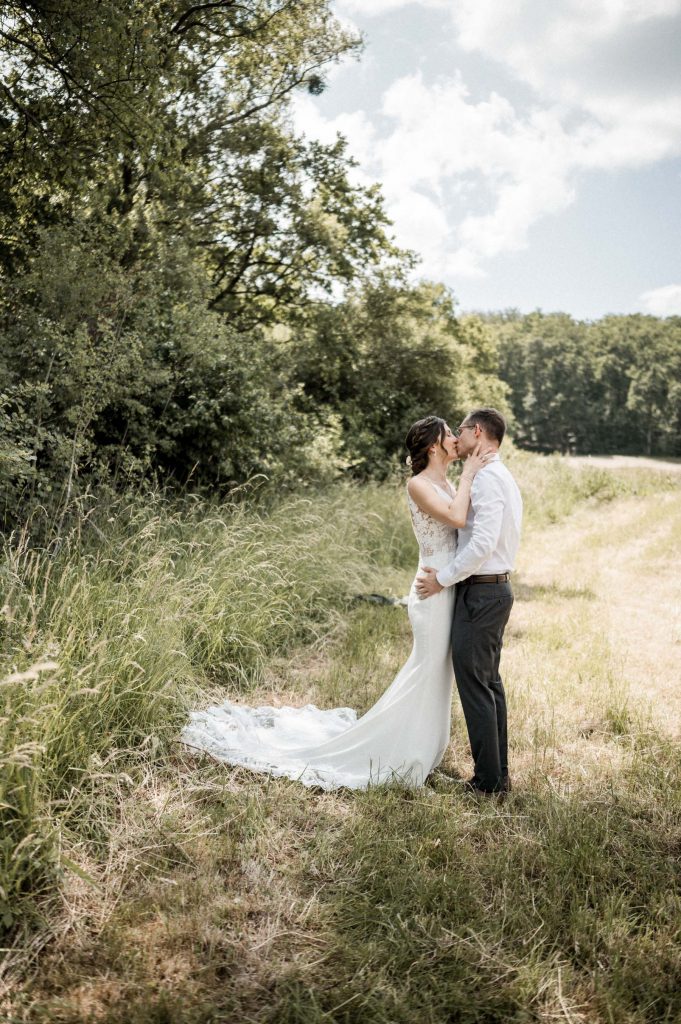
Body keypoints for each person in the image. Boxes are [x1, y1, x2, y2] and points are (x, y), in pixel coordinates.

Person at [180, 416, 494, 790]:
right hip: (430, 589)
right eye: (449, 435)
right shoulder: (418, 484)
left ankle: (424, 749)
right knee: (426, 668)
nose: (456, 439)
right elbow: (457, 518)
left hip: (447, 583)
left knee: (440, 671)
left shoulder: (445, 481)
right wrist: (470, 474)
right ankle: (402, 752)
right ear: (433, 446)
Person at [416, 408, 522, 796]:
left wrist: (442, 579)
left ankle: (487, 783)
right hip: (491, 590)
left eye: (459, 430)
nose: (456, 438)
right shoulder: (498, 474)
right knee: (488, 684)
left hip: (482, 592)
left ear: (477, 432)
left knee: (477, 687)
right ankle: (497, 775)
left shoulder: (489, 478)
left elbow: (482, 544)